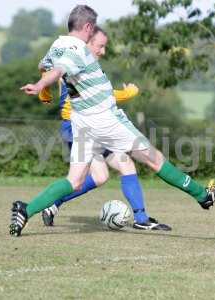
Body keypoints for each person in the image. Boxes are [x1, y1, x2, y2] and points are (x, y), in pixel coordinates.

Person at [10, 5, 215, 237]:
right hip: (105, 119)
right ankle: (203, 196)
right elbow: (59, 70)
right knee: (155, 159)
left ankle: (26, 210)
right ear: (87, 27)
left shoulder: (58, 44)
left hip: (82, 122)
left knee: (74, 180)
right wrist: (42, 86)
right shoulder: (78, 48)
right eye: (92, 30)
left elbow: (45, 66)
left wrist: (42, 84)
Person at [39, 26, 170, 230]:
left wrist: (44, 89)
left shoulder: (80, 61)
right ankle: (52, 203)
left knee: (112, 171)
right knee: (96, 175)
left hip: (94, 125)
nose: (102, 51)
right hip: (77, 126)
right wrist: (127, 94)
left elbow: (47, 69)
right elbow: (90, 95)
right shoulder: (75, 62)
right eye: (99, 45)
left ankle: (141, 219)